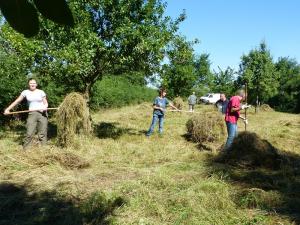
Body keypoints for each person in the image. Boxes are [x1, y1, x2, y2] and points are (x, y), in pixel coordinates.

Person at [4, 78, 48, 150]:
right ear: (28, 84)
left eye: (34, 83)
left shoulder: (41, 92)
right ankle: (26, 149)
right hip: (32, 113)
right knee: (29, 132)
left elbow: (45, 103)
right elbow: (17, 101)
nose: (32, 84)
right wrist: (8, 109)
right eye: (31, 83)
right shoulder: (25, 92)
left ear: (36, 84)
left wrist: (44, 107)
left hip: (42, 113)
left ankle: (43, 149)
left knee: (42, 133)